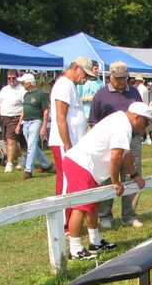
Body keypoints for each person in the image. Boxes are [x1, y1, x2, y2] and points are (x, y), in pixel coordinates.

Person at [63, 102, 150, 260]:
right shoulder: (122, 126)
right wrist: (115, 182)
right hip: (80, 164)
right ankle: (75, 249)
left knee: (92, 205)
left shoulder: (123, 122)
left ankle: (95, 242)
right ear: (137, 118)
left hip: (86, 167)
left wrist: (135, 175)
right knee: (81, 207)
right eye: (146, 123)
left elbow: (126, 155)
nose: (145, 128)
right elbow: (116, 156)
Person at [89, 61, 144, 229]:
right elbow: (93, 121)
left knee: (132, 175)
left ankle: (129, 215)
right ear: (110, 77)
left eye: (123, 78)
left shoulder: (134, 92)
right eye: (117, 78)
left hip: (132, 140)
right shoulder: (101, 95)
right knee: (107, 177)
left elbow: (141, 114)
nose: (120, 82)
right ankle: (105, 215)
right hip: (109, 144)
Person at [48, 56, 95, 197]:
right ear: (75, 68)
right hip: (64, 143)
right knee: (65, 181)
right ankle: (63, 217)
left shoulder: (70, 86)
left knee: (72, 180)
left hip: (72, 143)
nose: (86, 78)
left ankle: (70, 216)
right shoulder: (63, 85)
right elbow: (60, 117)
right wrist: (67, 145)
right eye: (85, 74)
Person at [16, 73, 52, 178]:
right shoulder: (26, 95)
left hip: (36, 121)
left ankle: (28, 170)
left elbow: (46, 111)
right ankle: (46, 165)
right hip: (26, 122)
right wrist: (19, 124)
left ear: (29, 83)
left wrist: (44, 126)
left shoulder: (41, 94)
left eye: (23, 82)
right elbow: (24, 110)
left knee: (31, 146)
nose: (22, 84)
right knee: (33, 146)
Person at [0, 70, 25, 173]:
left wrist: (20, 122)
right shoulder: (4, 90)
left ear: (17, 78)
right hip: (3, 118)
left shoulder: (21, 90)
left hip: (15, 117)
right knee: (8, 142)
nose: (11, 80)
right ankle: (22, 158)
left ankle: (9, 164)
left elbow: (24, 107)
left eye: (13, 78)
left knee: (11, 141)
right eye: (9, 78)